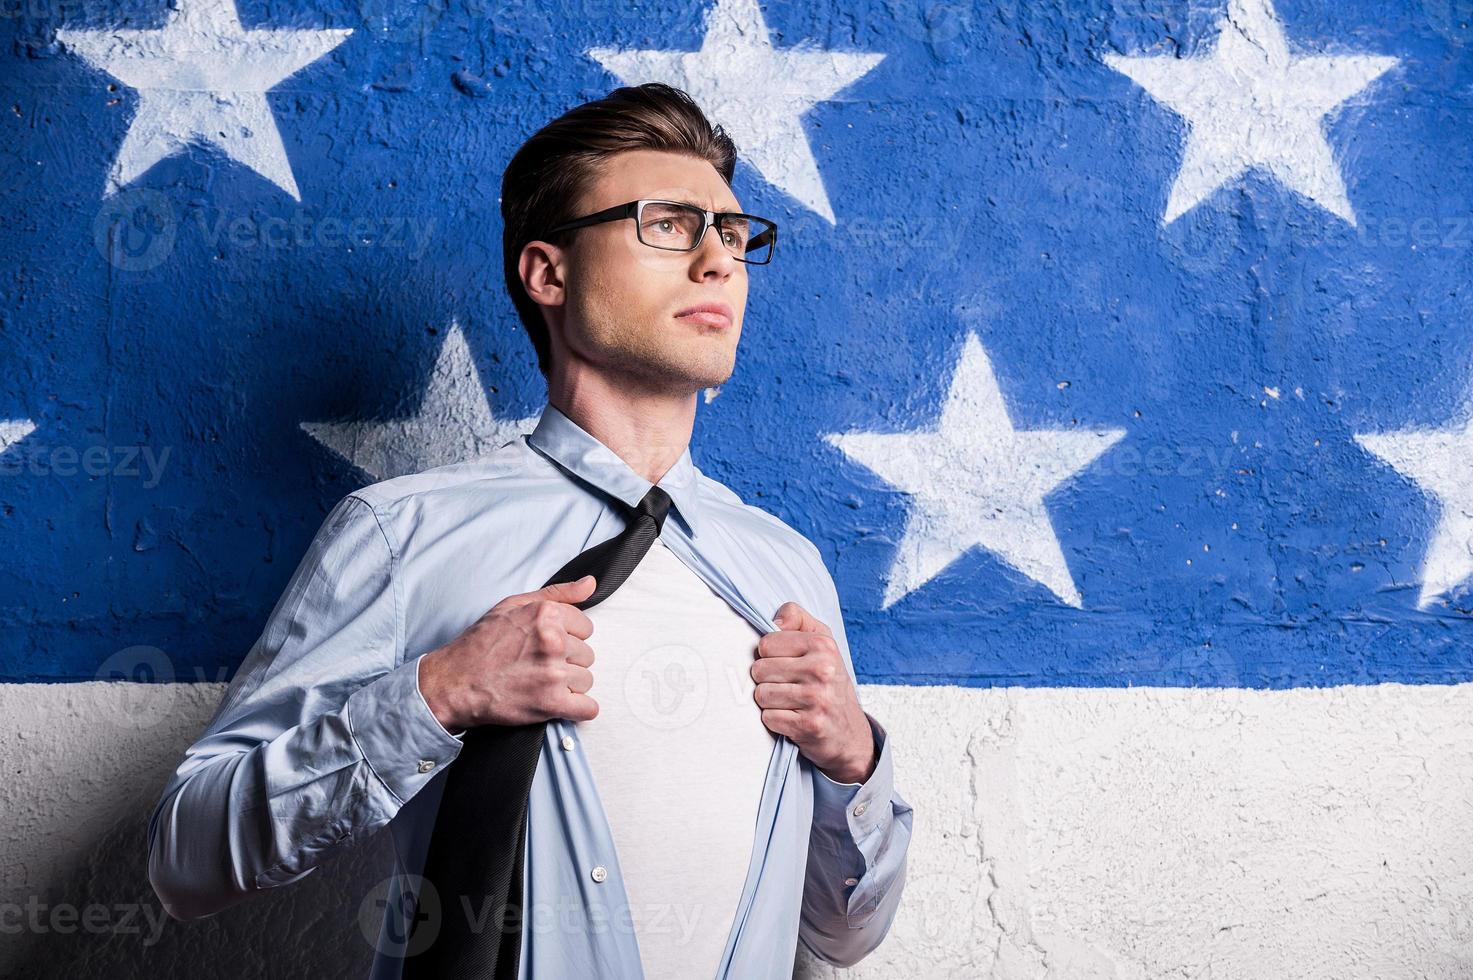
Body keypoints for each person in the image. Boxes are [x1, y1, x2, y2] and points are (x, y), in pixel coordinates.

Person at [147, 81, 913, 979]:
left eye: (734, 235)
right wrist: (434, 695)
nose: (717, 262)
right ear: (548, 272)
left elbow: (841, 934)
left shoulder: (785, 568)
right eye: (667, 224)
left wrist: (854, 758)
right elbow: (183, 859)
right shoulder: (404, 535)